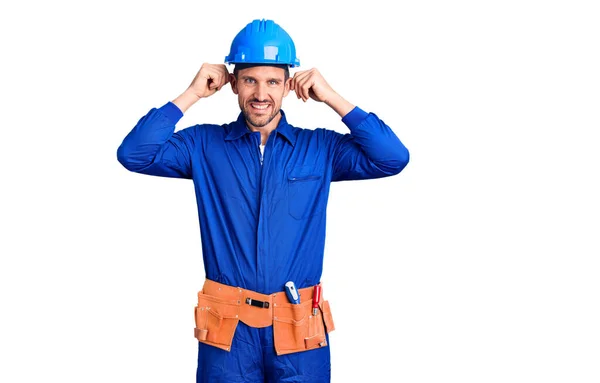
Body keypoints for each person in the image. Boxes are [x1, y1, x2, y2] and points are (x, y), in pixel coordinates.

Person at [117, 19, 409, 383]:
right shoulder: (203, 146)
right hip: (228, 332)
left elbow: (391, 157)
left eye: (272, 81)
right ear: (234, 84)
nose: (261, 93)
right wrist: (191, 93)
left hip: (299, 329)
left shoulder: (320, 148)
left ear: (289, 86)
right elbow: (135, 154)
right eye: (250, 80)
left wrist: (332, 96)